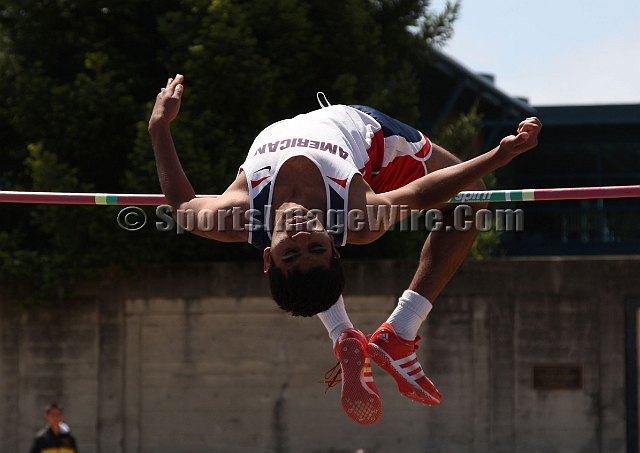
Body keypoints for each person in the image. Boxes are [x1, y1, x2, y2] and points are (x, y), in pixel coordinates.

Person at [149, 74, 541, 425]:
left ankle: (343, 334)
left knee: (303, 274)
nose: (301, 237)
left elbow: (182, 204)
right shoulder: (359, 216)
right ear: (335, 246)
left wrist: (159, 125)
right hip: (372, 140)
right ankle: (399, 331)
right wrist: (497, 156)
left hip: (309, 137)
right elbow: (422, 193)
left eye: (290, 252)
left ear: (268, 256)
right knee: (473, 198)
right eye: (316, 247)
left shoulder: (236, 216)